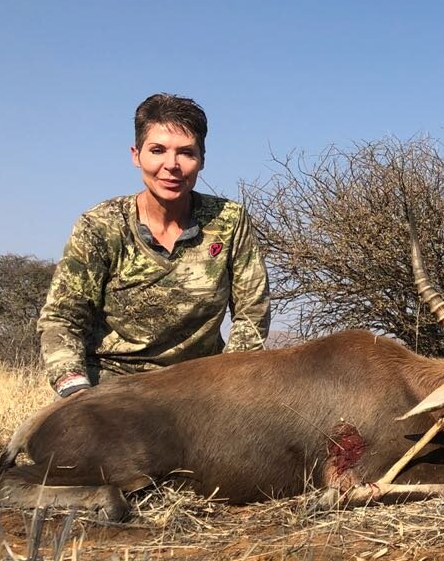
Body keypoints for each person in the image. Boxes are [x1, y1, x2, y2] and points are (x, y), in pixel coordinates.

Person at [39, 93, 270, 397]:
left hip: (201, 389)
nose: (171, 165)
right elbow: (62, 318)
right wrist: (76, 392)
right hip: (111, 391)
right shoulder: (100, 225)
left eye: (186, 152)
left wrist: (228, 387)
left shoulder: (230, 220)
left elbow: (252, 312)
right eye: (158, 150)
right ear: (136, 155)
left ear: (201, 159)